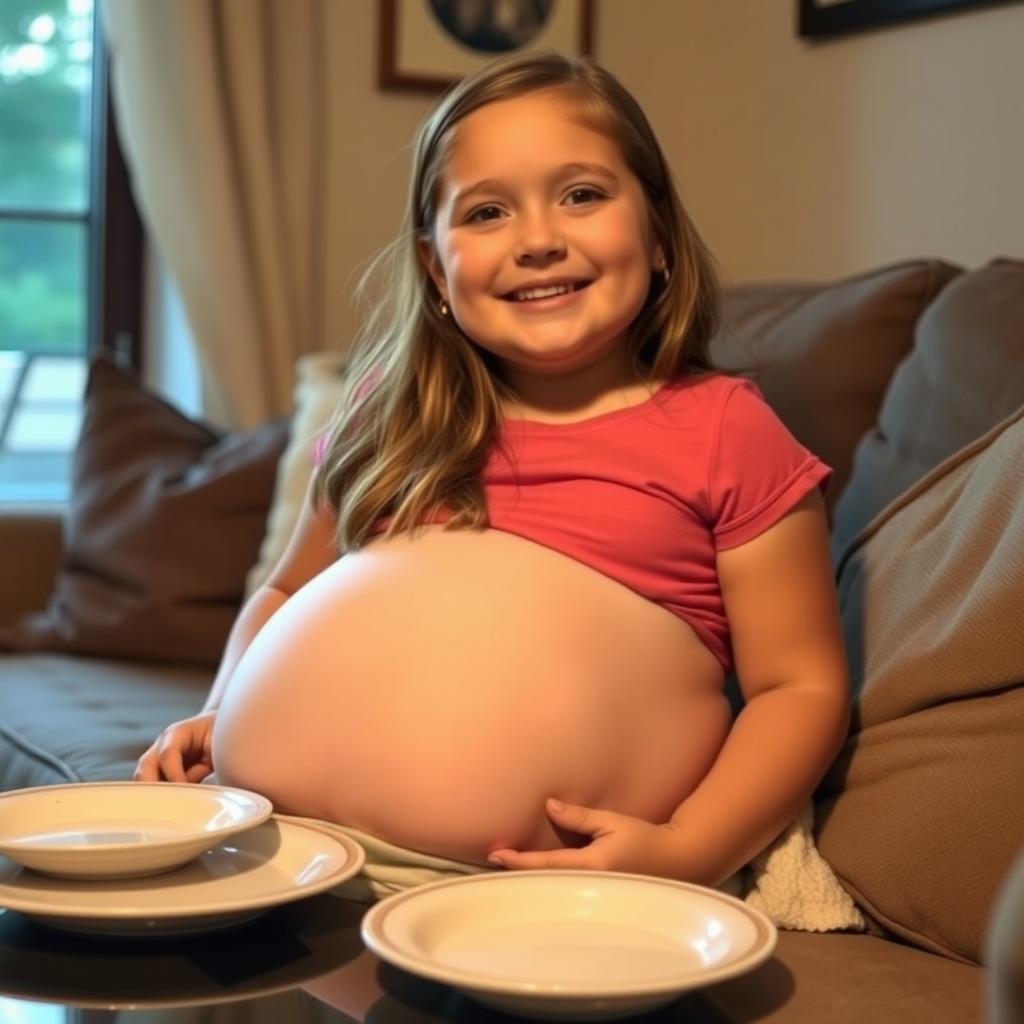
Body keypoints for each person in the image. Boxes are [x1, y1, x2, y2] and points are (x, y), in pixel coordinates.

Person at [135, 51, 850, 888]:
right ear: (437, 270)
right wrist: (221, 709)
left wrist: (695, 844)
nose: (539, 240)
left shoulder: (726, 430)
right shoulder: (388, 415)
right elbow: (286, 592)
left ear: (657, 235)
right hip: (274, 850)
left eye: (581, 195)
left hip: (524, 888)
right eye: (486, 212)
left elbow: (797, 686)